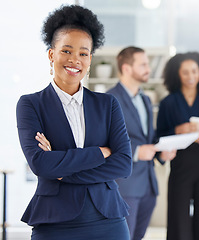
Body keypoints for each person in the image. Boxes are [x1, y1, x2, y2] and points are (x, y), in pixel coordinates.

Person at [16, 5, 132, 240]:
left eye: (83, 53)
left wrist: (64, 172)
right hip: (54, 221)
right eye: (67, 51)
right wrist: (100, 152)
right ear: (52, 54)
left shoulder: (107, 104)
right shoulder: (30, 104)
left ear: (90, 59)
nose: (74, 60)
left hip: (108, 219)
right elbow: (41, 164)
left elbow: (123, 164)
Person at [107, 46, 176, 240]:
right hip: (125, 185)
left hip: (148, 185)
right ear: (127, 68)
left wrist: (161, 153)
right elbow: (102, 141)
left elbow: (148, 138)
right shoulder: (109, 99)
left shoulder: (145, 99)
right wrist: (136, 152)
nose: (149, 68)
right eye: (143, 64)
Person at [156, 52, 199, 240]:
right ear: (177, 74)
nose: (191, 76)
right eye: (185, 72)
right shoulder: (168, 103)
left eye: (194, 71)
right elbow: (158, 137)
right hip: (180, 167)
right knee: (178, 221)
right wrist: (179, 129)